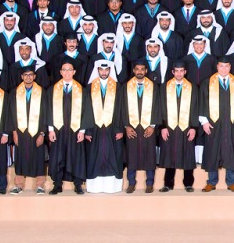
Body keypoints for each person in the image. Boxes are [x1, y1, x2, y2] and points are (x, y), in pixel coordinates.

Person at [199, 58, 234, 192]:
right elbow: (201, 103)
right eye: (221, 66)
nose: (224, 69)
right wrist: (204, 122)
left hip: (231, 124)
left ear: (230, 67)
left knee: (232, 152)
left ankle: (231, 182)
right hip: (213, 123)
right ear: (217, 67)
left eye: (226, 66)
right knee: (212, 151)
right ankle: (211, 182)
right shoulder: (207, 82)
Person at [158, 62, 199, 192]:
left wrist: (194, 127)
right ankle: (168, 184)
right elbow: (161, 107)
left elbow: (195, 108)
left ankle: (188, 183)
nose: (179, 73)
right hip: (169, 126)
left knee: (187, 154)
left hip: (186, 126)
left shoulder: (192, 87)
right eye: (177, 71)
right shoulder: (164, 87)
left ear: (185, 72)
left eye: (182, 71)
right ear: (172, 72)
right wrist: (163, 127)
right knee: (169, 154)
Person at [85, 60, 125, 194]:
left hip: (112, 128)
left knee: (113, 155)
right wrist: (88, 130)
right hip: (94, 129)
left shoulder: (118, 87)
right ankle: (94, 186)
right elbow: (86, 110)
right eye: (101, 70)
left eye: (106, 70)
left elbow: (121, 110)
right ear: (97, 70)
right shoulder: (90, 87)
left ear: (110, 70)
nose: (103, 72)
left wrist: (120, 129)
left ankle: (112, 186)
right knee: (94, 156)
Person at [47, 62, 86, 195]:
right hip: (58, 130)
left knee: (76, 156)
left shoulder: (81, 89)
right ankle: (57, 184)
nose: (67, 72)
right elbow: (49, 110)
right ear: (60, 72)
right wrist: (50, 129)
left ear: (74, 72)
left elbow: (86, 111)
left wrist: (82, 131)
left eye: (70, 70)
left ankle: (77, 184)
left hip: (75, 131)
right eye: (65, 70)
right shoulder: (53, 89)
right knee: (58, 156)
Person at [121, 62, 160, 193]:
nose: (139, 71)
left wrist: (153, 126)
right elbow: (122, 108)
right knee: (131, 155)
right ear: (133, 70)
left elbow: (157, 107)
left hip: (148, 127)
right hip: (132, 127)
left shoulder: (154, 87)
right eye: (137, 69)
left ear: (146, 70)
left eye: (142, 69)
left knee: (149, 155)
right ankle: (131, 183)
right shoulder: (125, 87)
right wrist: (126, 126)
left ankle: (150, 183)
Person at [9, 69, 48, 195]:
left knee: (39, 158)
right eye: (25, 75)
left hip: (37, 131)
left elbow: (45, 114)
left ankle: (40, 185)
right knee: (20, 158)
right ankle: (18, 185)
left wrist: (42, 133)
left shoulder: (42, 92)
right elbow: (12, 114)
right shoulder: (14, 92)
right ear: (22, 76)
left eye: (30, 75)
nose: (28, 77)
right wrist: (14, 132)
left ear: (34, 76)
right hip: (21, 131)